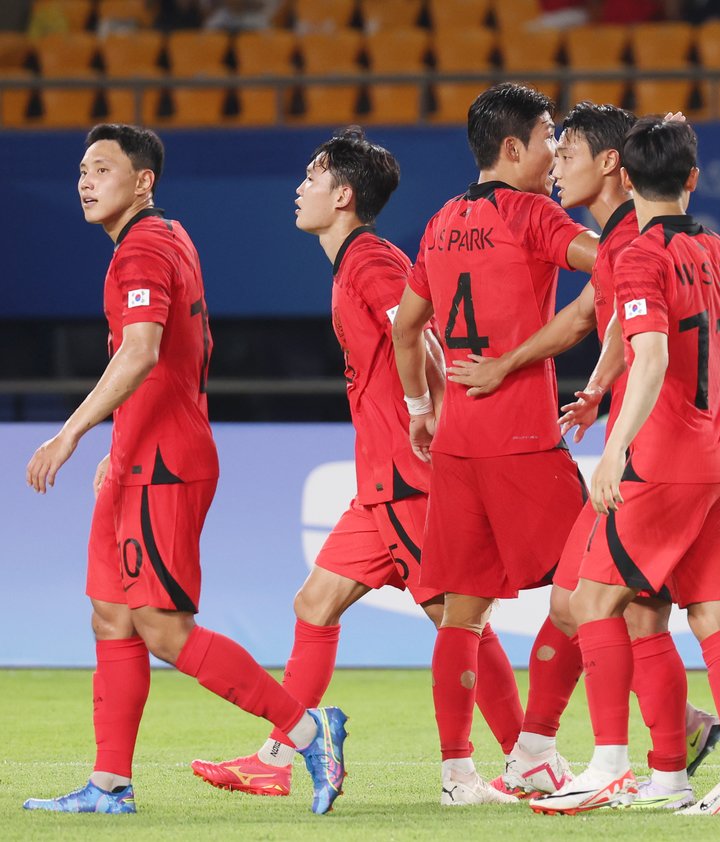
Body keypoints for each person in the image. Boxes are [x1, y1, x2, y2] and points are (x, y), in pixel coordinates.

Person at [187, 127, 526, 798]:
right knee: (315, 603)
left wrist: (425, 415)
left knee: (459, 622)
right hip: (381, 483)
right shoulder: (356, 264)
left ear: (342, 195)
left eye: (311, 178)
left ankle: (526, 757)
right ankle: (280, 757)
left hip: (410, 478)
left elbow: (422, 338)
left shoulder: (370, 261)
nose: (299, 188)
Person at [22, 123, 346, 816]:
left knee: (163, 629)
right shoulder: (168, 237)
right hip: (140, 455)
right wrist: (122, 437)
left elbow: (141, 351)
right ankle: (109, 786)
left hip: (165, 466)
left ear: (143, 181)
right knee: (111, 616)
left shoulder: (140, 248)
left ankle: (306, 730)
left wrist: (72, 432)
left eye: (102, 167)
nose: (85, 179)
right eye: (81, 168)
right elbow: (185, 352)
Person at [448, 102, 720, 809]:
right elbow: (590, 317)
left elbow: (632, 333)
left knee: (618, 610)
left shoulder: (634, 239)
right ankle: (591, 751)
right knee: (584, 604)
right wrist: (598, 385)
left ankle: (637, 762)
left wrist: (508, 366)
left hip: (654, 457)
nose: (556, 165)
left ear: (610, 165)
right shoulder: (623, 236)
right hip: (650, 447)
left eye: (565, 151)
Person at [531, 116, 720, 816]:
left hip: (663, 461)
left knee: (592, 602)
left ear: (626, 179)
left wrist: (614, 447)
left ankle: (610, 764)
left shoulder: (639, 256)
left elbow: (652, 355)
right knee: (709, 618)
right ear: (692, 180)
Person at [390, 82, 599, 806]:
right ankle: (537, 748)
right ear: (512, 148)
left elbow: (405, 325)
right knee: (588, 585)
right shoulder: (533, 213)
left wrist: (422, 406)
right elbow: (612, 270)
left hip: (456, 443)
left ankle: (458, 778)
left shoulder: (441, 221)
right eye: (549, 138)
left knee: (462, 614)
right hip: (523, 438)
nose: (557, 152)